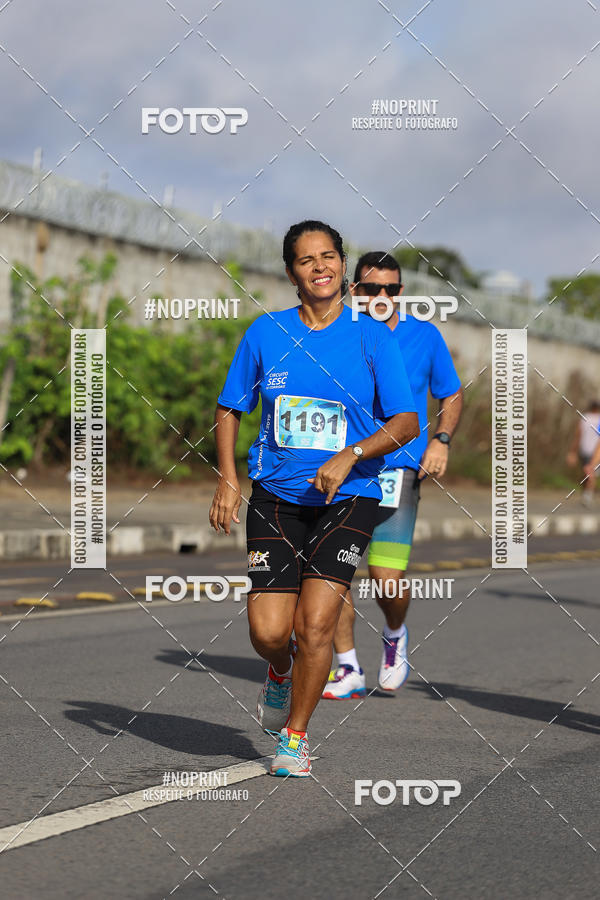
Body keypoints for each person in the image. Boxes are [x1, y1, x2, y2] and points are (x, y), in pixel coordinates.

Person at [209, 222, 418, 777]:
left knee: (316, 625)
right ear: (290, 272)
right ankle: (280, 671)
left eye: (329, 257)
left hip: (351, 496)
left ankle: (295, 738)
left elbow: (406, 420)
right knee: (270, 632)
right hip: (276, 495)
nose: (320, 267)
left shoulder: (372, 336)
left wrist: (352, 453)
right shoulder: (265, 332)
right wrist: (228, 477)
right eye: (306, 260)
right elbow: (230, 407)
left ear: (342, 266)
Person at [322, 251, 463, 700]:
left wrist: (440, 440)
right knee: (334, 575)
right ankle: (346, 667)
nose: (382, 296)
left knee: (385, 575)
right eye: (370, 289)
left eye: (392, 289)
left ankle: (395, 633)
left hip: (396, 468)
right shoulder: (335, 333)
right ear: (353, 291)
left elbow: (451, 393)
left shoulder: (424, 335)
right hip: (341, 468)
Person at [567, 400, 600, 506]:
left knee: (588, 472)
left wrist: (573, 452)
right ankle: (587, 495)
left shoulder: (584, 418)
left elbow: (578, 435)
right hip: (596, 451)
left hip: (585, 449)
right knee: (592, 473)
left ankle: (587, 494)